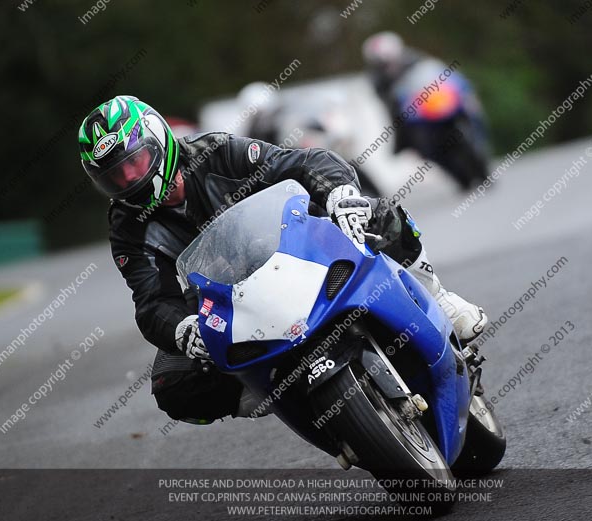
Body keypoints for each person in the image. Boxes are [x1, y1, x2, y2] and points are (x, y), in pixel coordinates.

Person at [78, 95, 488, 425]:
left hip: (292, 252)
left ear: (159, 142)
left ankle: (438, 295)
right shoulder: (126, 227)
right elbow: (150, 301)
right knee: (173, 383)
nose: (130, 179)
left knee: (377, 212)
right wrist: (183, 328)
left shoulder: (218, 152)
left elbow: (305, 162)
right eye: (115, 176)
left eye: (134, 162)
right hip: (223, 301)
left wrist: (338, 195)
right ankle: (274, 393)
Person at [362, 32, 490, 189]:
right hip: (413, 113)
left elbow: (436, 71)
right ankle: (447, 169)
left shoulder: (415, 58)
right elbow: (387, 100)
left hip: (438, 100)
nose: (389, 63)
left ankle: (480, 157)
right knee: (416, 141)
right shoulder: (377, 78)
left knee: (471, 109)